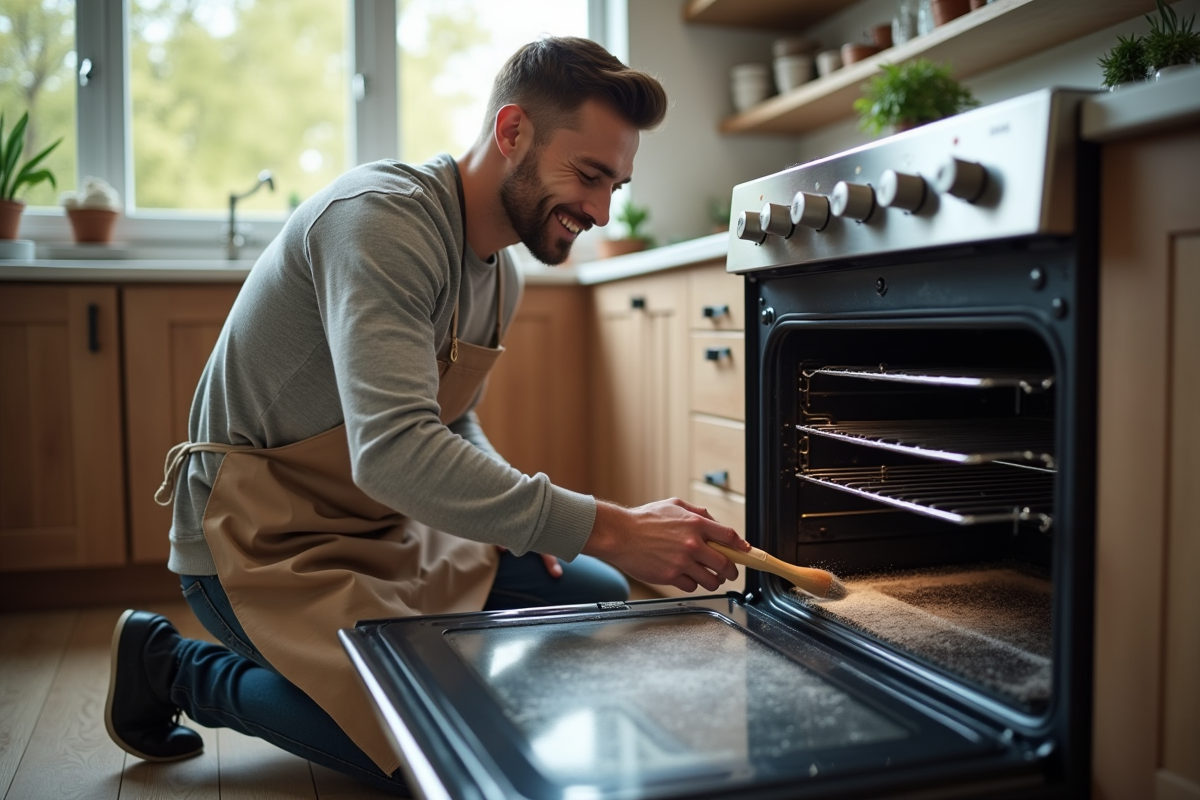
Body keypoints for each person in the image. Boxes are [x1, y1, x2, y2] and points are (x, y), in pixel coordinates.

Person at [103, 36, 749, 794]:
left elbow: (450, 420)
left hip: (387, 524)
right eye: (589, 175)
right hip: (261, 541)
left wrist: (524, 522)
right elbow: (393, 453)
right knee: (434, 749)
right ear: (512, 131)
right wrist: (608, 524)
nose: (602, 211)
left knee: (590, 589)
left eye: (617, 185)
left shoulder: (502, 275)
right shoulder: (382, 220)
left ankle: (436, 679)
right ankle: (173, 668)